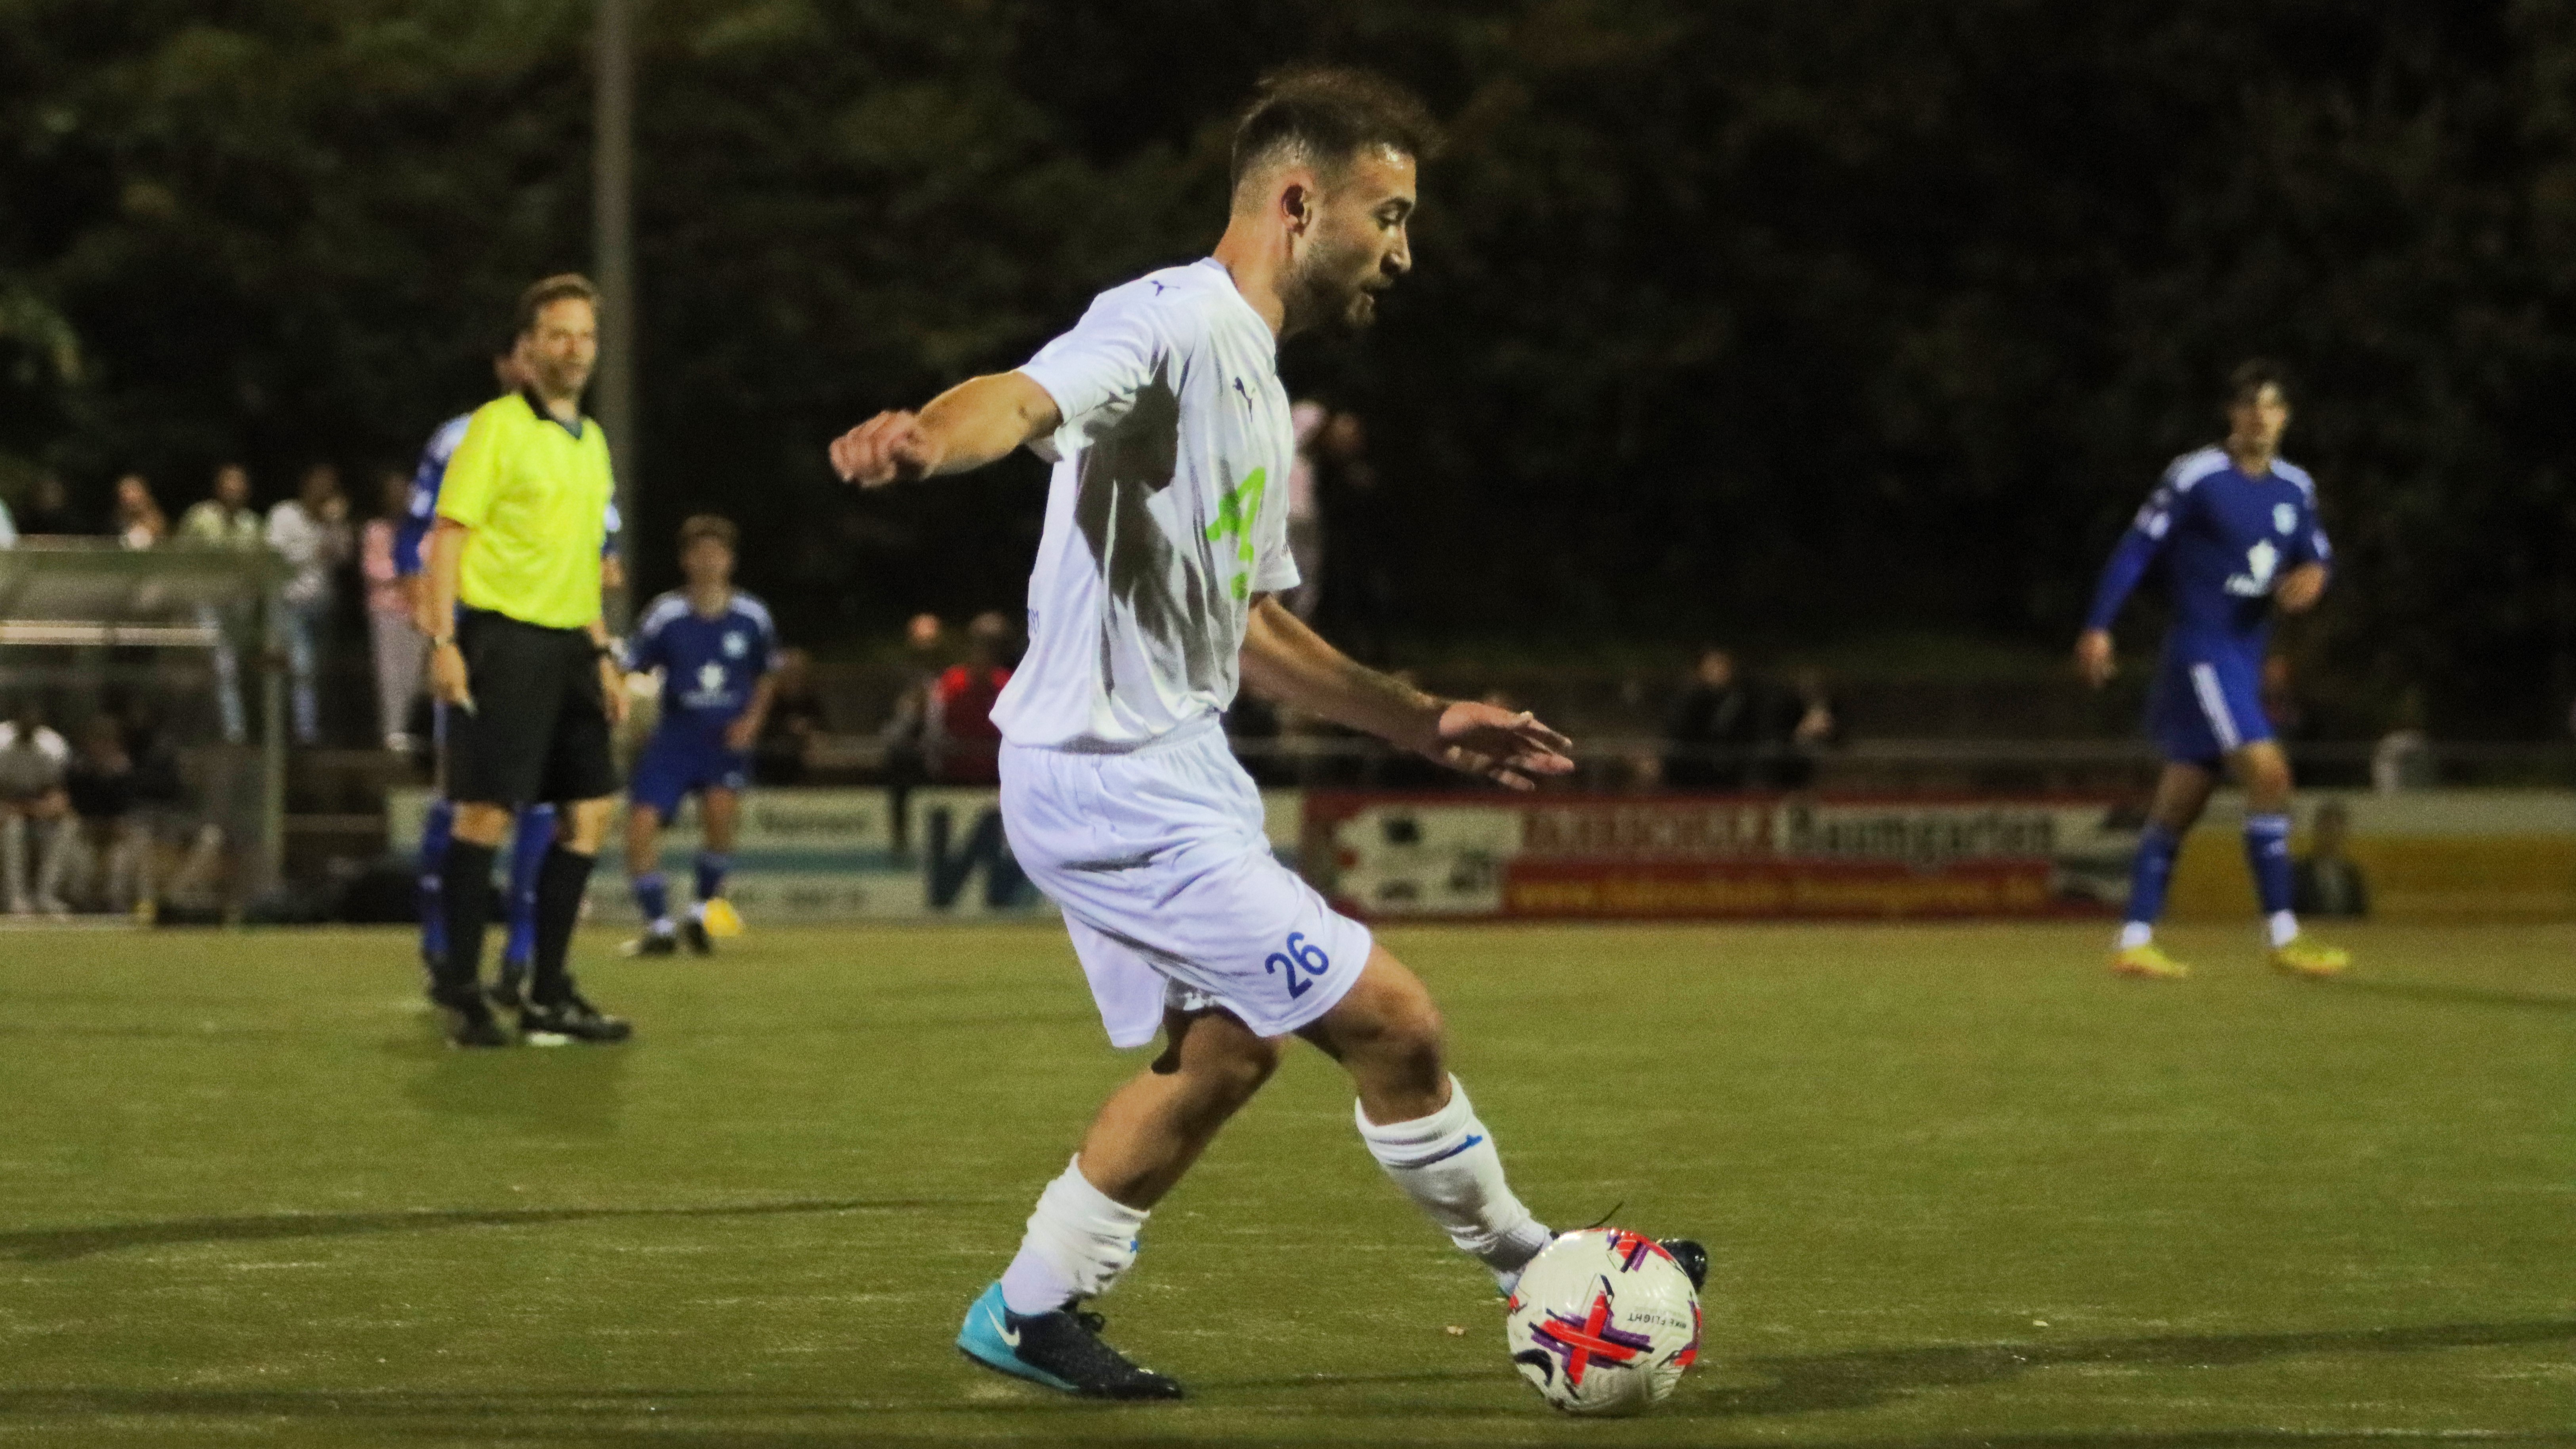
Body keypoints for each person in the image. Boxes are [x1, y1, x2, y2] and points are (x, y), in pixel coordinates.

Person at [829, 66, 1702, 1399]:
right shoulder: (1167, 322)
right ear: (1301, 201)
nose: (1403, 253)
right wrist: (923, 441)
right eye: (1389, 215)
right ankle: (1550, 1270)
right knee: (1396, 1022)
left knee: (1231, 1047)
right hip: (1109, 780)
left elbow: (1250, 628)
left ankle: (1030, 1307)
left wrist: (1422, 719)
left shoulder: (1253, 376)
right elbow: (1019, 398)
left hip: (1179, 767)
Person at [2077, 358, 2349, 980]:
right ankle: (2283, 936)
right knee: (2272, 776)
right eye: (2249, 404)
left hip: (2240, 659)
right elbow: (2137, 547)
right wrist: (2099, 625)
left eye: (2273, 405)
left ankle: (2134, 939)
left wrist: (2314, 577)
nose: (2261, 417)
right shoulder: (2197, 475)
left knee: (2180, 802)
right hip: (2202, 651)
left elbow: (2317, 555)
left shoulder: (2294, 488)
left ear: (2286, 417)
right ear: (2232, 414)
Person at [422, 273, 632, 1048]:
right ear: (529, 347)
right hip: (503, 638)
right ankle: (465, 989)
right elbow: (447, 537)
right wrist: (442, 640)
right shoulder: (495, 428)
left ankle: (547, 991)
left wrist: (604, 651)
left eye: (585, 335)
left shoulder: (593, 441)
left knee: (589, 813)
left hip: (570, 644)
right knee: (487, 810)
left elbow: (583, 563)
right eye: (559, 334)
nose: (574, 348)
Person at [396, 342, 573, 1006]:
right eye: (529, 352)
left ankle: (521, 958)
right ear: (505, 364)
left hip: (550, 637)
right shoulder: (460, 438)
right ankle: (443, 947)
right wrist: (438, 627)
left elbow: (597, 549)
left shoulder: (573, 441)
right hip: (479, 637)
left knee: (545, 802)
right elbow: (422, 532)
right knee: (467, 797)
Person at [619, 514, 780, 957]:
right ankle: (659, 926)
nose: (709, 562)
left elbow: (767, 675)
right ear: (686, 561)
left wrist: (752, 722)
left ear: (730, 561)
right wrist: (633, 713)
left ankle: (699, 913)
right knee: (640, 826)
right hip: (674, 737)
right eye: (700, 553)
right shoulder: (665, 615)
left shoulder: (752, 616)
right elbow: (633, 670)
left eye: (717, 553)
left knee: (720, 828)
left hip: (724, 739)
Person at [175, 465, 264, 744]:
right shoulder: (201, 517)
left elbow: (261, 566)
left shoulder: (252, 524)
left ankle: (225, 728)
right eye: (229, 485)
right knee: (222, 664)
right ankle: (233, 731)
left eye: (239, 486)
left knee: (230, 667)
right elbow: (181, 558)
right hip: (207, 602)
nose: (234, 491)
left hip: (240, 606)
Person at [267, 462, 353, 745]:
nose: (324, 491)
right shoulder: (284, 514)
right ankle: (306, 734)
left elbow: (344, 556)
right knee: (302, 668)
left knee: (318, 670)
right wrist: (311, 550)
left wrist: (335, 524)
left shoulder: (331, 520)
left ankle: (315, 727)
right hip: (292, 604)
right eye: (320, 484)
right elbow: (274, 555)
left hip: (323, 603)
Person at [362, 470, 428, 752]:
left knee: (414, 674)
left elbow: (430, 563)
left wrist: (407, 574)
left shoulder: (422, 531)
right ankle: (392, 731)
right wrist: (403, 572)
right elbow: (372, 569)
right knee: (390, 673)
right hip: (385, 611)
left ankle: (411, 729)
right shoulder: (375, 530)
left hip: (415, 610)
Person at [0, 699, 73, 917]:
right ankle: (16, 898)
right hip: (7, 813)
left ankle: (45, 896)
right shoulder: (1, 743)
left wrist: (38, 810)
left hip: (36, 811)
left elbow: (58, 797)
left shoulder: (53, 746)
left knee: (67, 826)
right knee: (13, 828)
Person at [926, 610, 1012, 784]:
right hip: (951, 780)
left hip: (995, 782)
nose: (985, 653)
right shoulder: (949, 683)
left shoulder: (1010, 687)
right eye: (981, 645)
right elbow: (933, 735)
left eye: (993, 648)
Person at [1662, 646, 1760, 790]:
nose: (1719, 671)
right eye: (1713, 665)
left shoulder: (1743, 698)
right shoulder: (1688, 698)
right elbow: (1679, 733)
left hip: (1732, 774)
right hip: (1691, 773)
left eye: (1723, 665)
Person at [754, 646, 827, 787]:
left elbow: (823, 727)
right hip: (771, 756)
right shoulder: (769, 700)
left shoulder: (809, 699)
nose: (795, 677)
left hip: (801, 752)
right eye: (790, 672)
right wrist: (789, 728)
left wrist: (811, 731)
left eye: (799, 672)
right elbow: (761, 728)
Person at [2290, 799, 2369, 918]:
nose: (2331, 837)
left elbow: (2361, 916)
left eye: (2337, 831)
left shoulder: (2352, 875)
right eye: (2327, 830)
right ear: (2317, 832)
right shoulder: (2298, 872)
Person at [111, 474, 166, 550]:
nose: (129, 498)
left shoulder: (156, 523)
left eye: (133, 491)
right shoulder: (116, 524)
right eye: (125, 493)